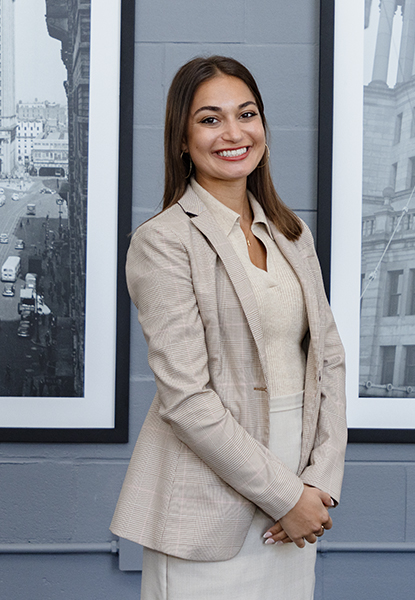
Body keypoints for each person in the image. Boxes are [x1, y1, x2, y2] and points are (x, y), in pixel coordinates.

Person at [111, 55, 347, 600]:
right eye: (210, 119)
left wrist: (318, 486)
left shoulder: (293, 235)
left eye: (247, 114)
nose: (234, 133)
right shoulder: (163, 241)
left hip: (301, 482)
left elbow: (328, 360)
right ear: (181, 138)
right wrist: (285, 496)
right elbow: (187, 398)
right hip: (209, 496)